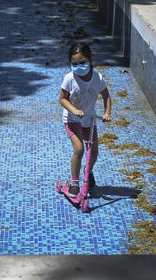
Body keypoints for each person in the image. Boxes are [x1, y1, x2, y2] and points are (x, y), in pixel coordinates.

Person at [59, 41, 113, 197]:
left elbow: (106, 96)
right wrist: (74, 110)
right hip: (71, 119)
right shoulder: (70, 78)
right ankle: (75, 182)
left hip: (89, 120)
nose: (78, 66)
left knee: (94, 151)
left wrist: (107, 112)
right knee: (79, 149)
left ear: (90, 59)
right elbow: (62, 99)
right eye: (74, 64)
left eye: (82, 62)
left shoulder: (98, 78)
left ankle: (88, 172)